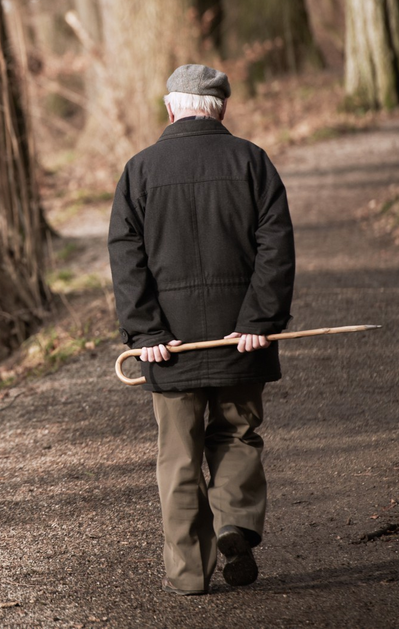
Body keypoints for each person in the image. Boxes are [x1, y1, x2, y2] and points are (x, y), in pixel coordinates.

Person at [107, 63, 296, 596]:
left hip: (170, 346)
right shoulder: (252, 162)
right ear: (222, 109)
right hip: (241, 340)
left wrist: (145, 333)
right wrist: (259, 320)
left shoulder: (139, 170)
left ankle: (191, 574)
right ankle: (235, 522)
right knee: (236, 433)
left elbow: (127, 259)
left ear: (170, 108)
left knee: (179, 456)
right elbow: (275, 249)